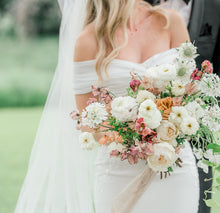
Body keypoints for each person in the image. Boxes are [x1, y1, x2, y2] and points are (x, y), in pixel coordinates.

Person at [15, 0, 199, 212]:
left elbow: (191, 92)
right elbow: (89, 124)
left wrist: (167, 126)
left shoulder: (170, 21)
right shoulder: (88, 41)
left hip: (175, 166)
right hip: (119, 171)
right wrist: (136, 133)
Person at [146, 0, 220, 212]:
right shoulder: (139, 6)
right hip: (144, 144)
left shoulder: (218, 8)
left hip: (196, 146)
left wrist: (199, 120)